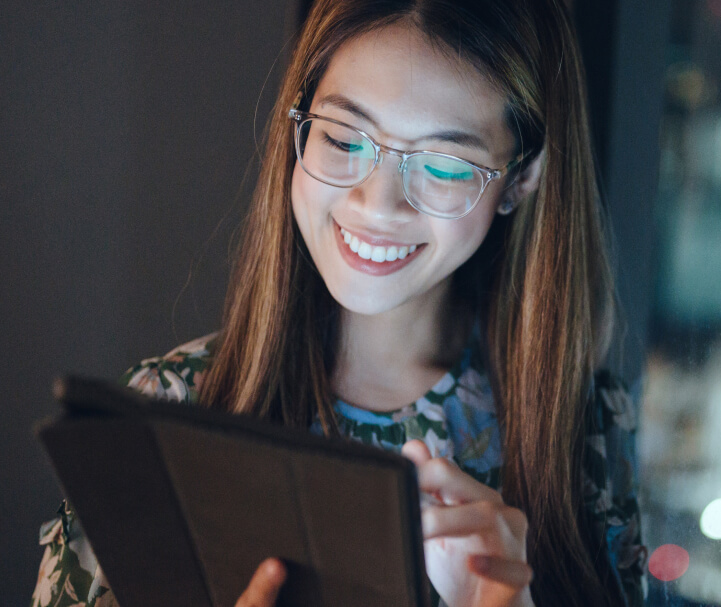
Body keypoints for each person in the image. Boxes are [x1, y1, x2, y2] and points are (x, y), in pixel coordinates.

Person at [30, 0, 646, 605]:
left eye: (445, 165)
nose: (378, 205)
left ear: (520, 178)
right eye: (345, 140)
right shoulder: (156, 417)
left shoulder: (582, 426)